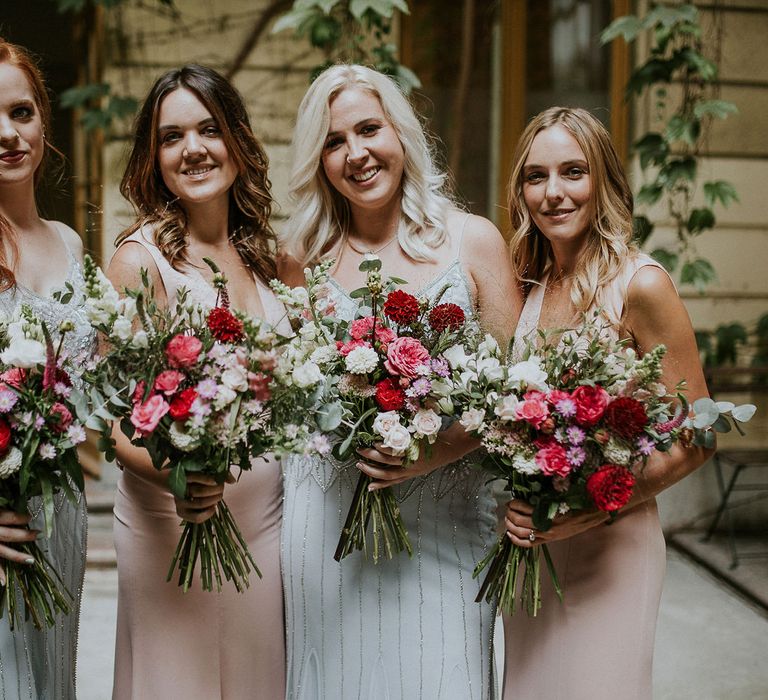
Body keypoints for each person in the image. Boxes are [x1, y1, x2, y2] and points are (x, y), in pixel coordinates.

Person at [278, 64, 520, 700]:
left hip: (448, 517)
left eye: (368, 129)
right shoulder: (300, 257)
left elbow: (515, 395)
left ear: (402, 134)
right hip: (328, 520)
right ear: (319, 160)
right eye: (334, 142)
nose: (356, 154)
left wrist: (433, 451)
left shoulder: (473, 242)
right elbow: (292, 395)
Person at [501, 106, 713, 700]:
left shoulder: (641, 285)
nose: (554, 193)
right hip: (532, 549)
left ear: (604, 182)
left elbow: (700, 432)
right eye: (535, 176)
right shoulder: (530, 288)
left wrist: (598, 505)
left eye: (573, 172)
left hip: (611, 545)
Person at [107, 64, 286, 699]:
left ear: (236, 138)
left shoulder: (266, 255)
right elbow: (118, 425)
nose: (193, 150)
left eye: (209, 129)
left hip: (265, 529)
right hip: (174, 525)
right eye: (171, 136)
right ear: (153, 157)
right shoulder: (139, 262)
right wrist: (183, 478)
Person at [0, 38, 94, 699]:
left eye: (22, 111)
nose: (8, 133)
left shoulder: (69, 243)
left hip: (61, 511)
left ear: (44, 121)